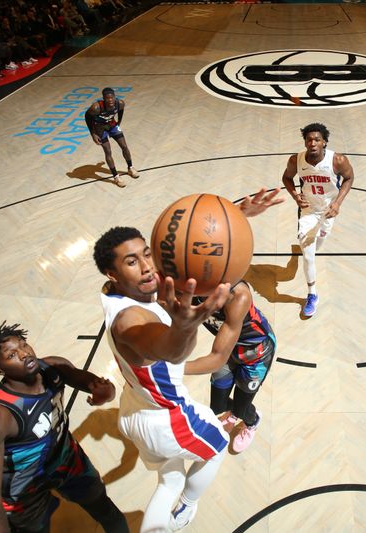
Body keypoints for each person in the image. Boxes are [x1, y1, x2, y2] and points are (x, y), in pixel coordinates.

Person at [93, 188, 282, 532]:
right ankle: (187, 509)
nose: (148, 266)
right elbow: (169, 349)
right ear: (112, 273)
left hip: (252, 352)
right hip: (164, 416)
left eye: (147, 255)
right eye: (131, 262)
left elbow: (194, 239)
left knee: (173, 478)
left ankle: (248, 420)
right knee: (218, 439)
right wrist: (180, 334)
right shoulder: (131, 319)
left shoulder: (235, 295)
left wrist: (236, 214)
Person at [0, 321, 128, 533]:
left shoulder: (53, 367)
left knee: (104, 506)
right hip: (24, 487)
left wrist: (106, 392)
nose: (25, 353)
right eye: (12, 355)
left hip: (66, 459)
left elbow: (95, 385)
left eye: (24, 345)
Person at [184, 277, 276, 454]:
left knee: (243, 409)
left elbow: (217, 358)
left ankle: (252, 421)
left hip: (256, 353)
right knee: (217, 406)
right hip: (228, 348)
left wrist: (169, 368)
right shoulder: (186, 289)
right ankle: (233, 413)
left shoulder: (236, 294)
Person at [281, 123, 355, 318]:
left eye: (317, 139)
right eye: (309, 139)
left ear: (324, 142)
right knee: (308, 255)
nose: (312, 143)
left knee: (320, 242)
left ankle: (305, 248)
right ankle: (312, 294)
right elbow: (286, 178)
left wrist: (338, 203)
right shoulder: (295, 160)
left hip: (328, 211)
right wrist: (295, 195)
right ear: (305, 142)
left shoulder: (337, 160)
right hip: (308, 210)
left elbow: (349, 178)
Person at [84, 87, 139, 188]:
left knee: (124, 146)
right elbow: (87, 117)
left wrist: (119, 122)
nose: (110, 100)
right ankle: (116, 177)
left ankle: (130, 167)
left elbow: (121, 110)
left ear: (114, 97)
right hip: (99, 128)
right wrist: (93, 134)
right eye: (107, 98)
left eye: (111, 97)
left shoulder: (120, 103)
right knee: (108, 151)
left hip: (112, 124)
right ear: (103, 98)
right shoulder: (96, 107)